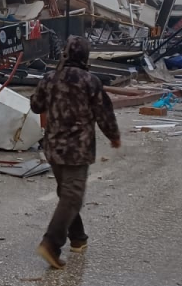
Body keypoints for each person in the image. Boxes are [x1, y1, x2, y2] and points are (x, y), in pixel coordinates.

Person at [30, 35, 121, 269]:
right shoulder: (90, 81)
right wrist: (114, 136)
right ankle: (51, 243)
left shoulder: (50, 78)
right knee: (72, 196)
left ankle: (78, 239)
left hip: (53, 147)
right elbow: (104, 113)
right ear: (85, 57)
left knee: (66, 193)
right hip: (77, 149)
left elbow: (35, 105)